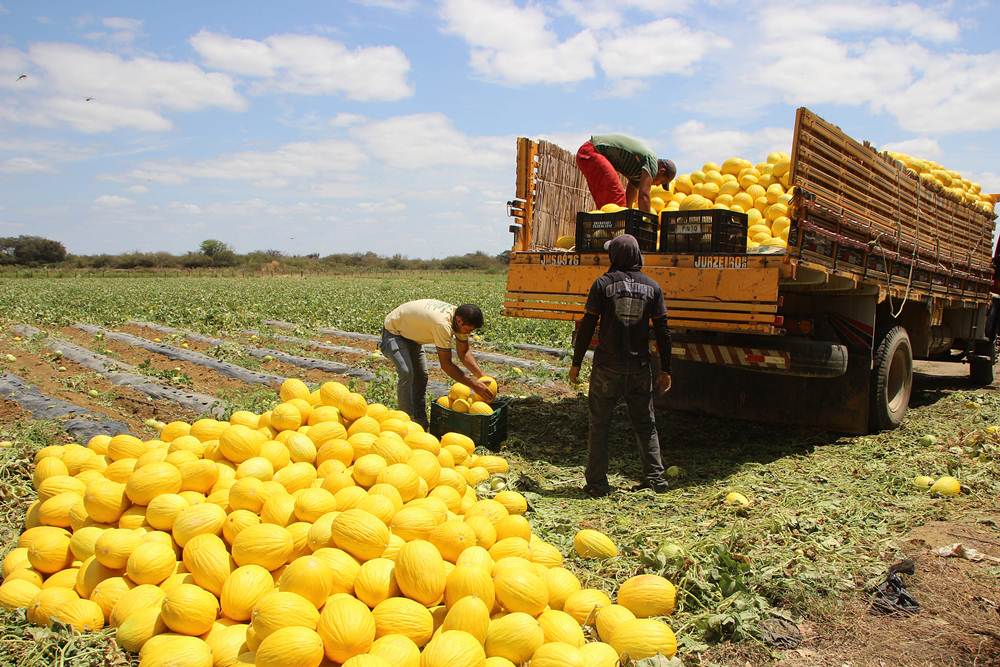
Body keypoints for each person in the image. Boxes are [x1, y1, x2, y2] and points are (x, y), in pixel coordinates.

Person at [569, 234, 672, 496]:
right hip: (639, 367)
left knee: (599, 424)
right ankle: (656, 479)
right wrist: (666, 369)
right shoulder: (653, 287)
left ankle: (597, 484)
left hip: (607, 367)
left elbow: (588, 325)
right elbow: (663, 332)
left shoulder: (602, 284)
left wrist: (577, 362)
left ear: (614, 256)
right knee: (645, 424)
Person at [380, 299, 494, 428]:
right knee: (406, 372)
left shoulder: (460, 319)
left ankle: (419, 420)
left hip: (413, 337)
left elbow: (464, 353)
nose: (469, 333)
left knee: (421, 376)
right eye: (468, 330)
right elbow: (446, 365)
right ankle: (405, 420)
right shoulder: (442, 324)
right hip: (394, 333)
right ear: (459, 320)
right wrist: (474, 385)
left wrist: (481, 376)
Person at [576, 133, 676, 212]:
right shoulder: (652, 162)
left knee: (608, 206)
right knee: (618, 204)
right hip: (591, 151)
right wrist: (648, 222)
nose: (658, 185)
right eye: (661, 182)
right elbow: (643, 195)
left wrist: (629, 211)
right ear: (661, 171)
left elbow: (632, 189)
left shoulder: (639, 172)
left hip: (587, 155)